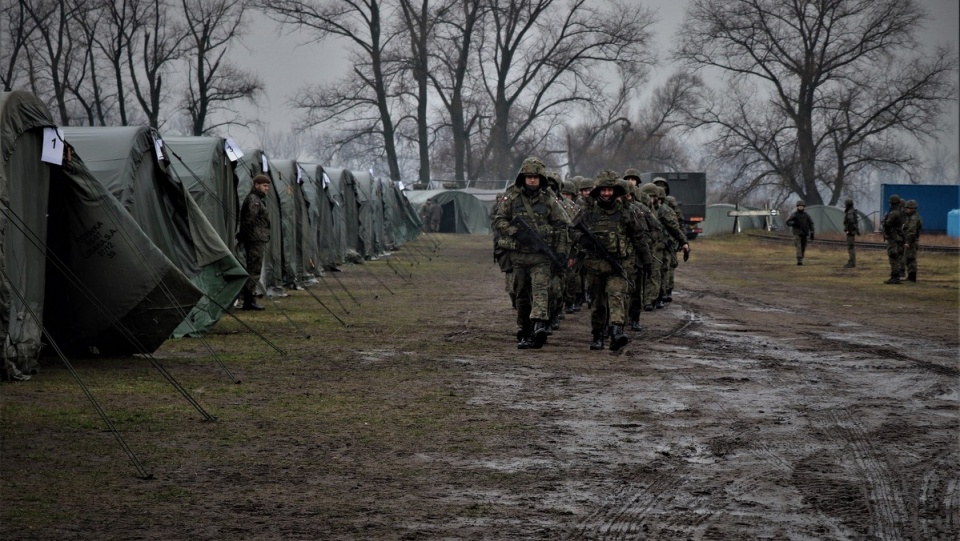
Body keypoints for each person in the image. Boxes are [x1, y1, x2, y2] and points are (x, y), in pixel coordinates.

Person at [493, 157, 571, 349]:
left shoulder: (549, 200)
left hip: (541, 258)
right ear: (523, 178)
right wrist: (515, 232)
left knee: (540, 290)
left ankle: (539, 325)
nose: (532, 180)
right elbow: (499, 220)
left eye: (536, 177)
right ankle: (525, 330)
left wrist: (561, 251)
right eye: (529, 177)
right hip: (518, 256)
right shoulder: (511, 198)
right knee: (520, 294)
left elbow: (561, 225)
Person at [574, 170, 651, 351]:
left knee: (617, 296)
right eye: (604, 190)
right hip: (594, 265)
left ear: (616, 191)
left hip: (619, 264)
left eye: (610, 190)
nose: (607, 194)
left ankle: (617, 331)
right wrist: (582, 239)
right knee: (598, 303)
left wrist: (646, 260)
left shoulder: (627, 211)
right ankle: (598, 335)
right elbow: (572, 229)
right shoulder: (588, 211)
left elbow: (639, 237)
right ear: (598, 191)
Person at [238, 174, 271, 310]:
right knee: (254, 270)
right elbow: (249, 220)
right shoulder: (254, 200)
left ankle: (249, 299)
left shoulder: (258, 199)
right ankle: (248, 300)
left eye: (267, 186)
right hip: (254, 239)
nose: (266, 189)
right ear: (256, 185)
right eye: (264, 186)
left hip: (257, 238)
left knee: (254, 269)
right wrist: (246, 236)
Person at [882, 194, 905, 284]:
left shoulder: (894, 213)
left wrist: (884, 221)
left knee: (893, 257)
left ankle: (895, 277)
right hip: (898, 237)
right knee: (897, 257)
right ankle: (895, 275)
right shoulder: (900, 212)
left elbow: (888, 224)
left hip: (893, 237)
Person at [785, 200, 814, 265]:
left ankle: (801, 258)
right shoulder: (794, 215)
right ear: (797, 207)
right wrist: (794, 223)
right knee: (798, 246)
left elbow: (811, 223)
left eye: (802, 206)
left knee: (803, 247)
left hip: (804, 233)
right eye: (799, 206)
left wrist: (812, 232)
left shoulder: (806, 215)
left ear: (804, 207)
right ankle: (799, 259)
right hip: (797, 233)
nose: (801, 207)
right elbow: (787, 222)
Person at [902, 199, 922, 282]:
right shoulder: (910, 217)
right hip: (911, 240)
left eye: (908, 208)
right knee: (908, 258)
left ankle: (912, 277)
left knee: (911, 258)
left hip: (911, 241)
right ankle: (910, 276)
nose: (906, 210)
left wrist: (908, 242)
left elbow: (911, 231)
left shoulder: (914, 218)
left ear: (912, 208)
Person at [842, 198, 859, 268]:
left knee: (851, 247)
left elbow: (850, 222)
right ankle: (851, 261)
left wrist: (848, 230)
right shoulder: (851, 211)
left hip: (850, 232)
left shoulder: (850, 212)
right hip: (852, 231)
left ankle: (852, 262)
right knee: (851, 247)